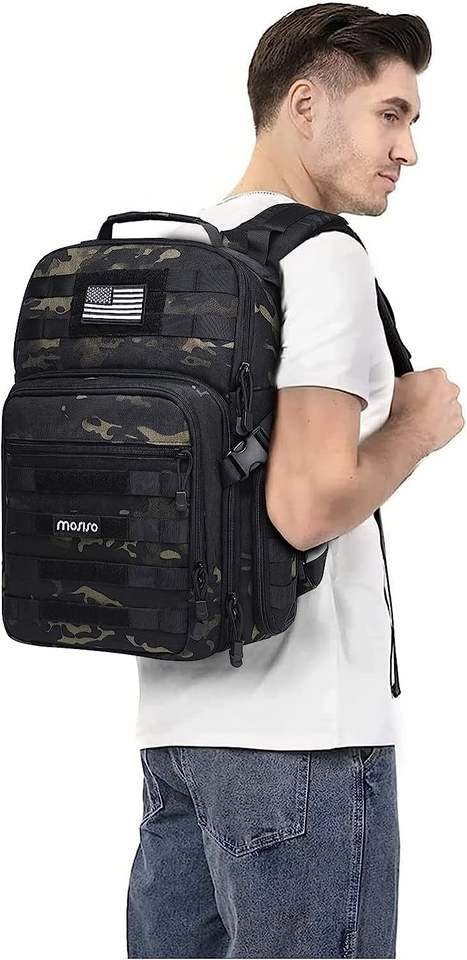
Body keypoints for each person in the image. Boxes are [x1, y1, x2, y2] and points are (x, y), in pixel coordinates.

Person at [126, 5, 463, 958]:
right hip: (303, 747)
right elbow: (306, 506)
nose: (407, 150)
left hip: (177, 737)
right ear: (306, 104)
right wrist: (414, 431)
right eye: (391, 115)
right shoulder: (317, 255)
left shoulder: (188, 255)